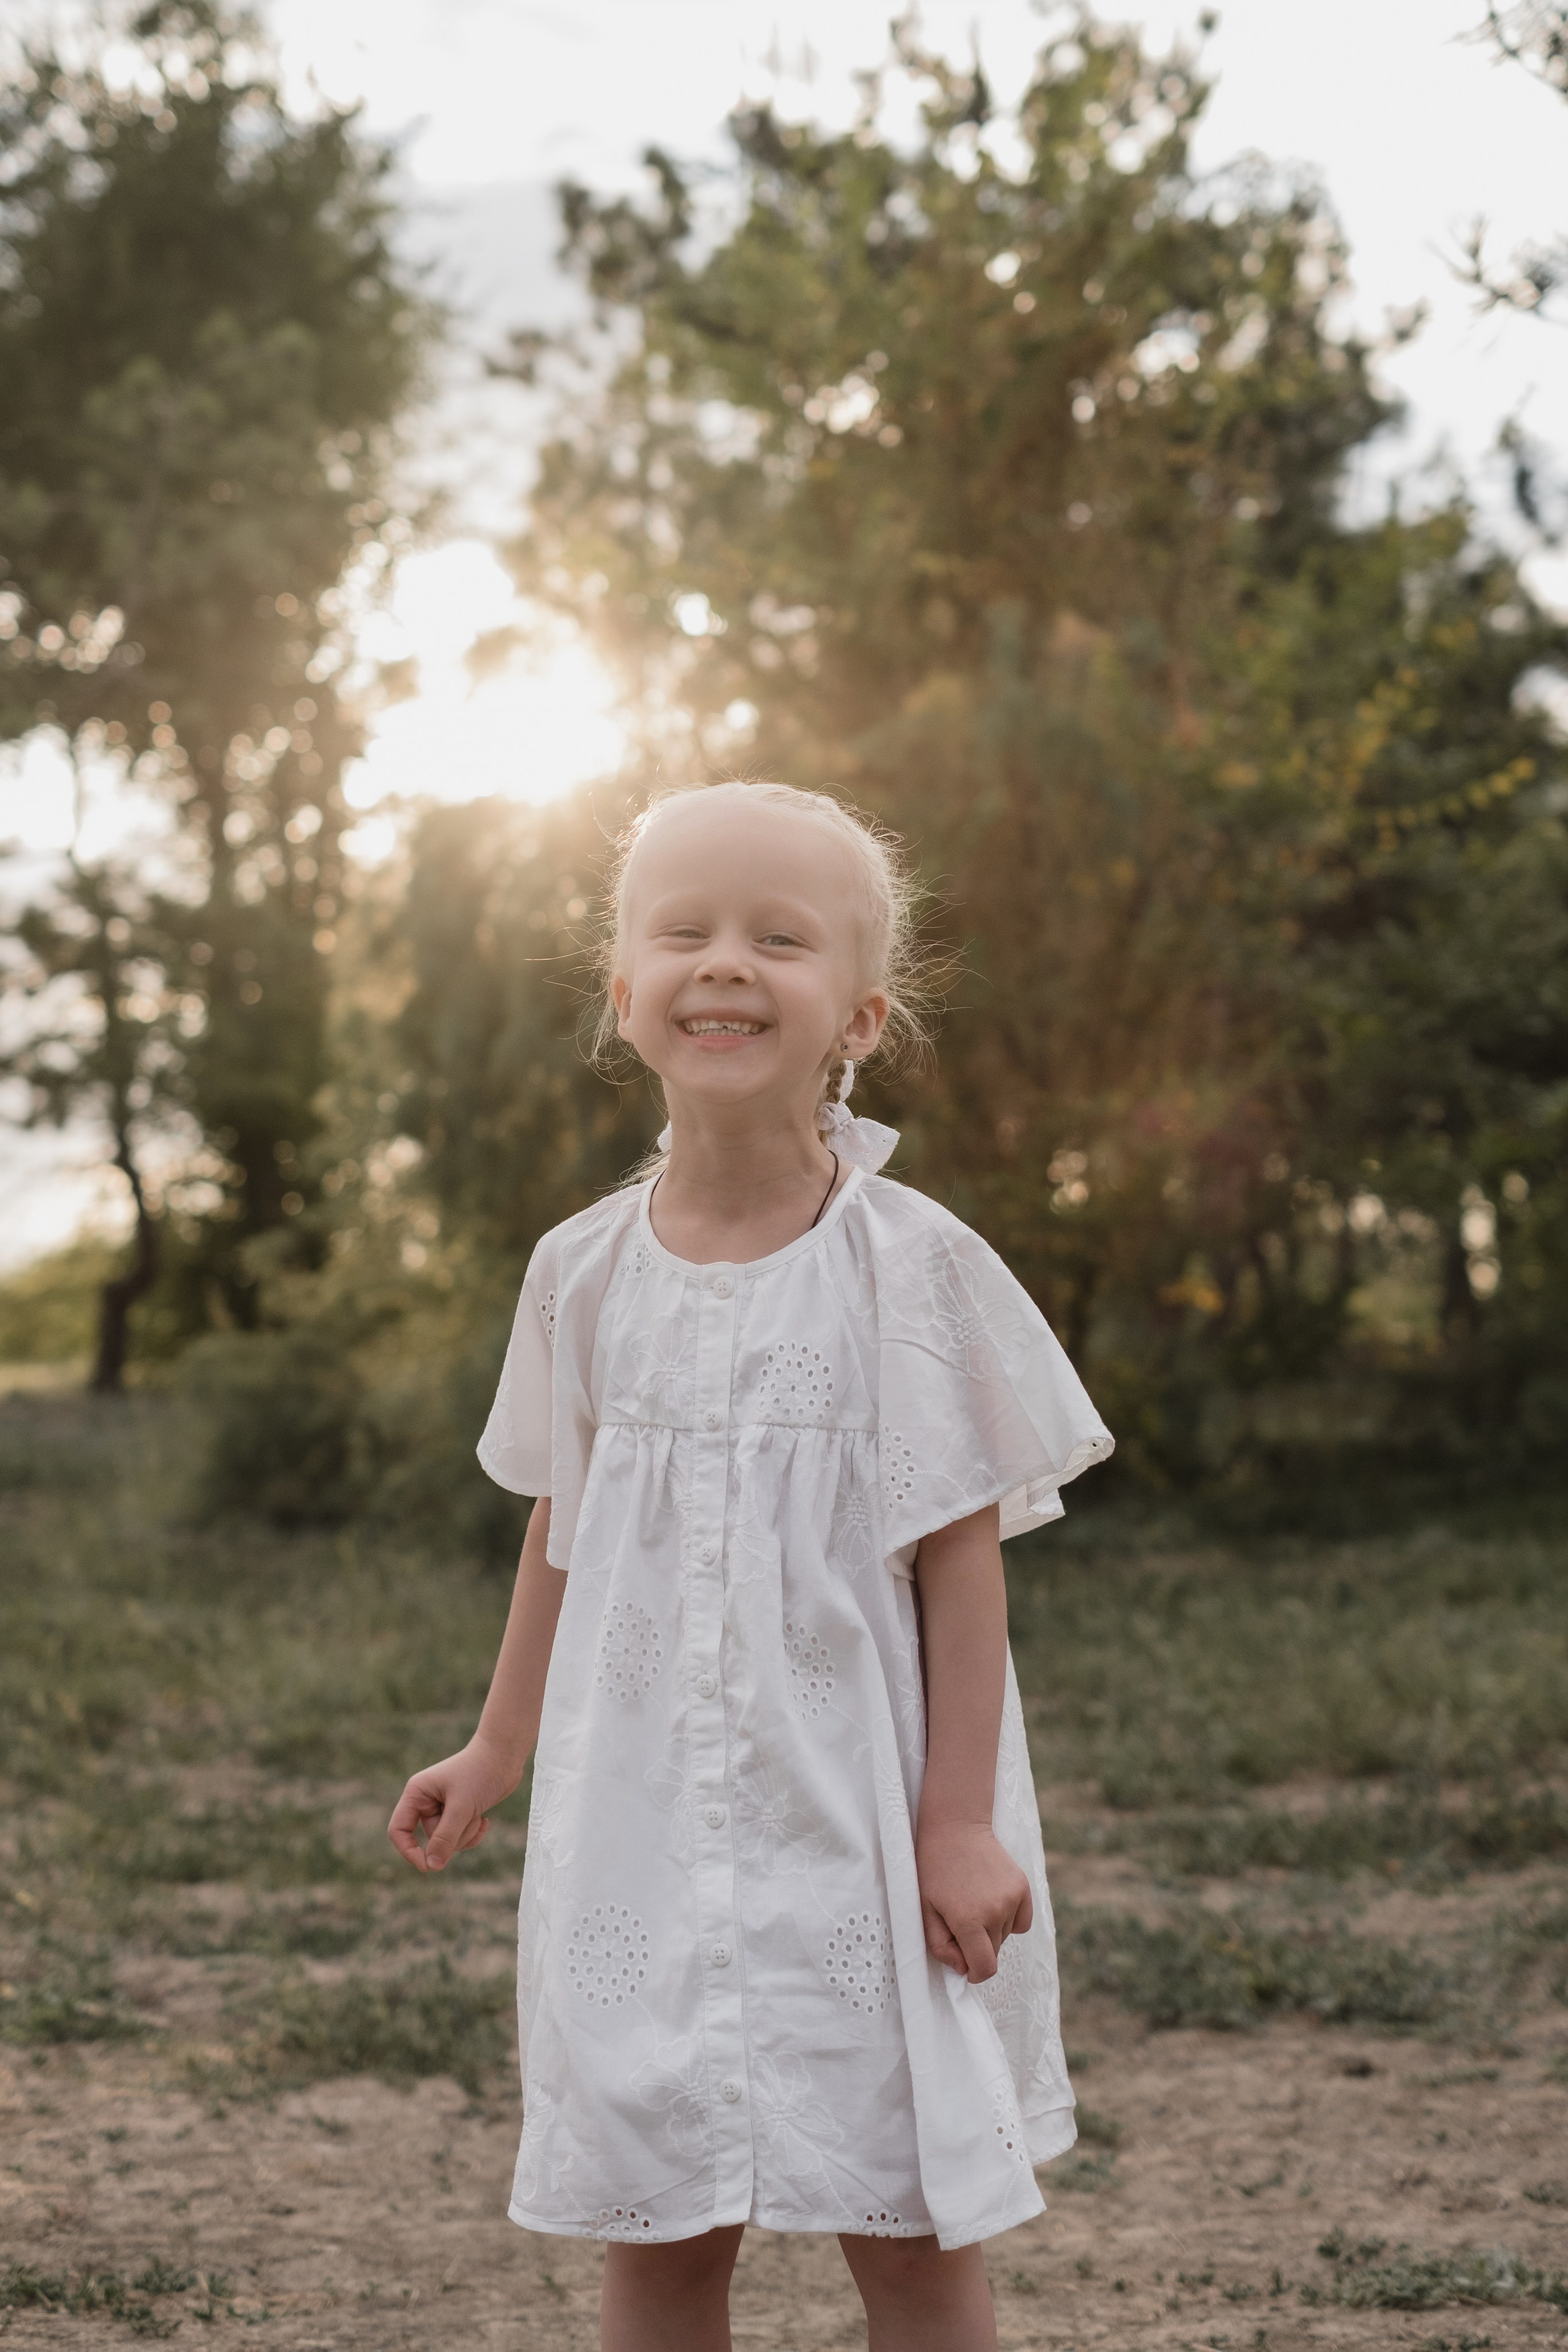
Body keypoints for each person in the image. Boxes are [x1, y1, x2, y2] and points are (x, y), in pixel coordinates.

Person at [388, 780, 1113, 2352]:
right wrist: (497, 1745)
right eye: (684, 932)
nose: (723, 962)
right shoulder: (580, 1273)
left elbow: (961, 1558)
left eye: (777, 939)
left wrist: (955, 1823)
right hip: (638, 1808)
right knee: (657, 2217)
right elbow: (562, 1526)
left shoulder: (910, 1267)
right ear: (622, 994)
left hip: (861, 1810)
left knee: (904, 2215)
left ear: (858, 1017)